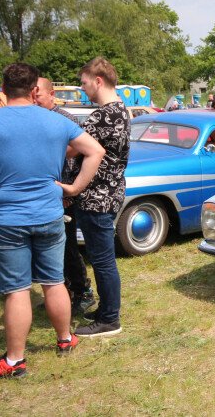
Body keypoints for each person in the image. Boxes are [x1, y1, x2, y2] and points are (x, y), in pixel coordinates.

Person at [0, 63, 104, 377]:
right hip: (49, 214)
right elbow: (95, 151)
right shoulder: (55, 121)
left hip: (8, 219)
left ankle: (14, 361)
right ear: (35, 90)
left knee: (17, 289)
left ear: (4, 90)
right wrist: (73, 188)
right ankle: (65, 339)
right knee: (54, 281)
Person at [74, 57, 131, 338]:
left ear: (98, 81)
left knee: (103, 260)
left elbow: (73, 149)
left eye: (84, 83)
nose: (82, 88)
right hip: (109, 194)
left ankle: (109, 319)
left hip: (97, 198)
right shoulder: (120, 110)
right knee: (101, 258)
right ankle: (106, 310)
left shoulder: (103, 114)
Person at [35, 78, 95, 316]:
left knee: (67, 247)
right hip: (42, 195)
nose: (33, 99)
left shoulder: (65, 119)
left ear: (51, 95)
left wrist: (68, 191)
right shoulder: (34, 121)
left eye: (37, 95)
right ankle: (61, 292)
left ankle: (83, 292)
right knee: (47, 249)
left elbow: (80, 157)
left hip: (63, 196)